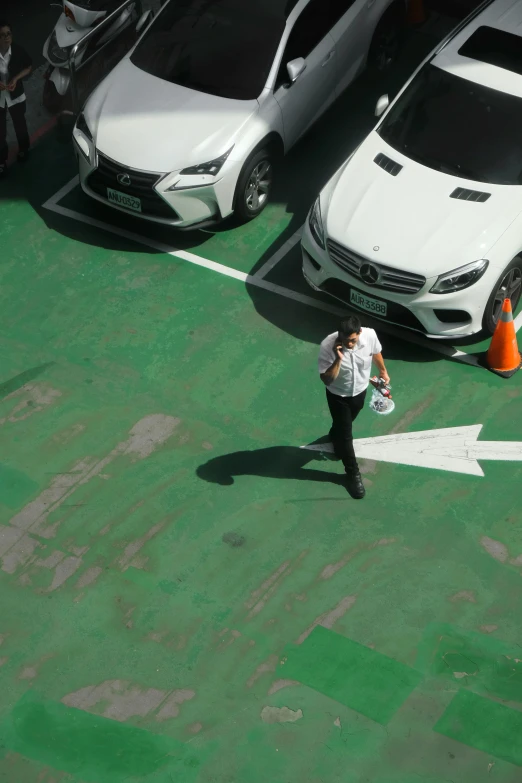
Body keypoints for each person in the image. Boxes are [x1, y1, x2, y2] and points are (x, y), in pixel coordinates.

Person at [318, 315, 390, 499]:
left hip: (360, 391)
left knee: (344, 426)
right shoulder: (327, 345)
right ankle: (352, 473)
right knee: (347, 435)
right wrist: (338, 358)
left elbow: (376, 352)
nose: (349, 344)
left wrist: (382, 371)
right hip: (337, 395)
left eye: (352, 340)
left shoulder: (370, 335)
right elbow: (326, 379)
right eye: (345, 340)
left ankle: (335, 435)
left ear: (359, 333)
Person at [0, 21, 32, 178]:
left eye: (8, 34)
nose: (6, 37)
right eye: (3, 35)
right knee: (0, 132)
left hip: (16, 95)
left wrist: (16, 79)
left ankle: (24, 149)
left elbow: (28, 66)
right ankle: (1, 162)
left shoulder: (18, 51)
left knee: (20, 124)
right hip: (0, 98)